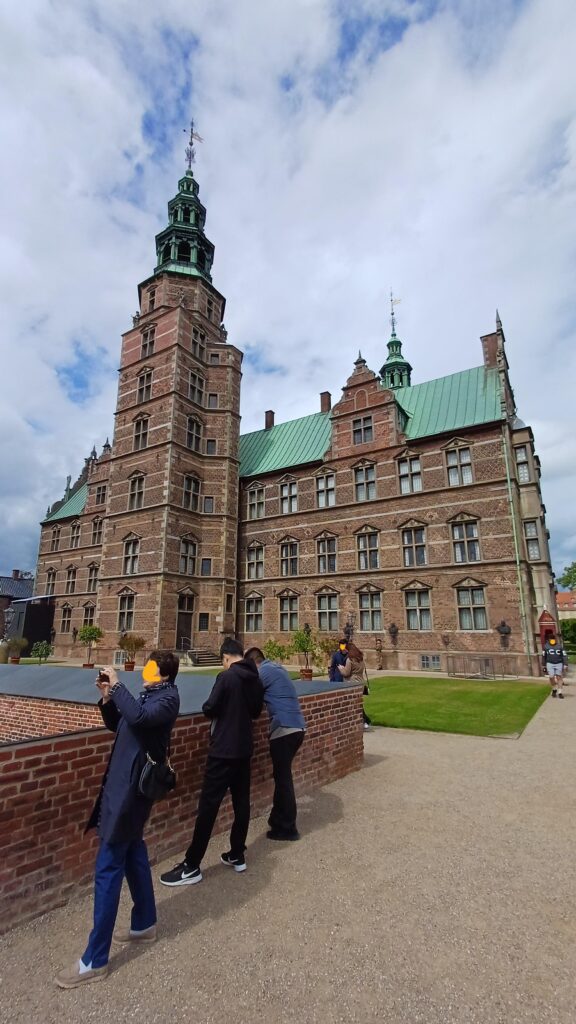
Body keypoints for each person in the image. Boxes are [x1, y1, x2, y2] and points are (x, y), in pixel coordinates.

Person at [54, 651, 180, 989]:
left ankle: (95, 960)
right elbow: (121, 723)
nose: (146, 669)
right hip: (122, 788)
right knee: (134, 855)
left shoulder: (168, 698)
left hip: (129, 795)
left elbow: (138, 718)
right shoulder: (150, 695)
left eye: (151, 666)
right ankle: (145, 923)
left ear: (163, 673)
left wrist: (121, 686)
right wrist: (108, 698)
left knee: (108, 868)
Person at [160, 638, 263, 887]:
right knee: (241, 804)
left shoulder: (226, 677)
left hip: (223, 750)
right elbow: (256, 712)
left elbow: (210, 707)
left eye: (223, 661)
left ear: (226, 657)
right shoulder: (255, 679)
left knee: (208, 807)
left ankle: (192, 865)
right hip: (244, 749)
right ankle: (237, 854)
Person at [245, 647, 306, 841]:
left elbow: (250, 696)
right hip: (297, 727)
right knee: (282, 776)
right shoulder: (277, 667)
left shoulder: (263, 672)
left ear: (254, 663)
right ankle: (277, 820)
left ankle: (288, 828)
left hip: (284, 729)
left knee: (283, 779)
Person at [341, 642, 371, 730]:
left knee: (353, 704)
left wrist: (341, 669)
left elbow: (346, 673)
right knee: (357, 703)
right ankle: (362, 721)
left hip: (352, 683)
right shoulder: (360, 659)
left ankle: (364, 721)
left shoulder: (349, 660)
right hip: (360, 683)